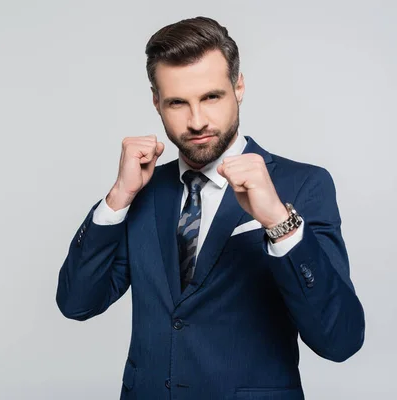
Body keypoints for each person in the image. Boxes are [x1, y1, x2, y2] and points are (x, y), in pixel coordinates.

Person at [55, 16, 365, 400]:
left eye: (211, 97)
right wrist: (118, 196)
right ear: (156, 102)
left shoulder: (303, 185)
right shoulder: (145, 192)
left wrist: (279, 222)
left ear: (239, 87)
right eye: (177, 103)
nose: (197, 121)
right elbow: (77, 303)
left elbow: (341, 339)